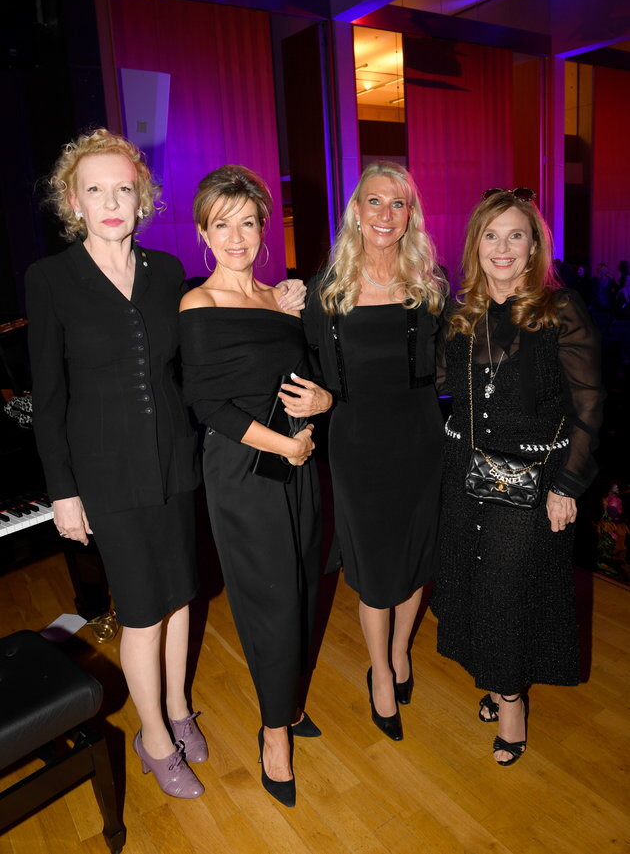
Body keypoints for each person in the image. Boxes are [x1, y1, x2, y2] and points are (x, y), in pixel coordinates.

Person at [25, 129, 206, 798]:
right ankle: (154, 736)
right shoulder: (51, 279)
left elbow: (190, 361)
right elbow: (49, 398)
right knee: (141, 609)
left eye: (123, 188)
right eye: (95, 189)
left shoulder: (167, 272)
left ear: (141, 197)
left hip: (173, 459)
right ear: (73, 200)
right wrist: (62, 492)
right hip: (104, 471)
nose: (110, 200)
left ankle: (180, 707)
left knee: (181, 592)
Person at [431, 186, 604, 766]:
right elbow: (430, 382)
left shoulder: (560, 311)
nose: (502, 247)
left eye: (516, 235)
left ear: (533, 248)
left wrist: (568, 486)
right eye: (491, 235)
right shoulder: (463, 312)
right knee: (479, 588)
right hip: (465, 477)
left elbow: (589, 404)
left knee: (510, 594)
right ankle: (495, 676)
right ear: (475, 244)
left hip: (532, 484)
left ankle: (511, 706)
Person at [179, 165, 332, 807]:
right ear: (203, 233)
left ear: (264, 228)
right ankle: (274, 734)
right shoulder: (199, 303)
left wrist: (324, 399)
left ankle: (287, 701)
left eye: (248, 222)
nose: (237, 236)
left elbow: (310, 376)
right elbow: (208, 404)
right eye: (223, 224)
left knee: (300, 585)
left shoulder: (282, 298)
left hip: (298, 464)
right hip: (245, 470)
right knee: (268, 597)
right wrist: (286, 444)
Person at [302, 161, 447, 742]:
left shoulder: (429, 287)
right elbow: (307, 365)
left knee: (415, 559)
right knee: (375, 567)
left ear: (410, 215)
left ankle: (401, 652)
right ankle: (380, 671)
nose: (386, 214)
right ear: (356, 211)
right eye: (374, 202)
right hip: (357, 443)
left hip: (420, 438)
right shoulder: (327, 290)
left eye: (399, 203)